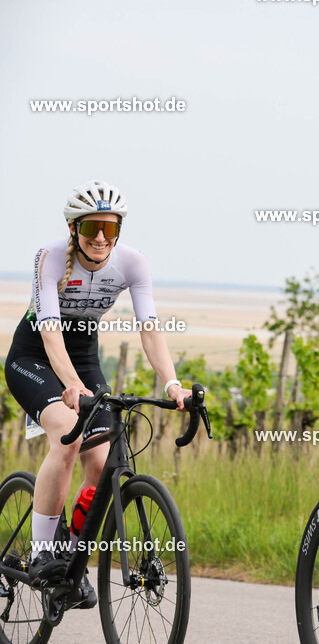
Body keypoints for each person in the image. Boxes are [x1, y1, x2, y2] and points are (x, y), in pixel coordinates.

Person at [3, 181, 189, 608]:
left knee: (103, 461)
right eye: (92, 226)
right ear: (73, 227)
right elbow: (50, 335)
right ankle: (40, 551)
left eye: (110, 226)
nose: (101, 236)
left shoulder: (133, 263)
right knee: (67, 435)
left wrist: (172, 383)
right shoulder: (49, 259)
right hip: (34, 355)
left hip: (84, 357)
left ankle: (71, 556)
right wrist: (71, 388)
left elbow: (150, 328)